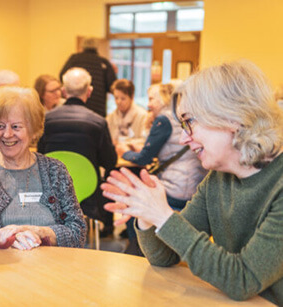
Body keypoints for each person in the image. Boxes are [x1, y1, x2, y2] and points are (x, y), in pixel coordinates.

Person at [101, 60, 283, 305]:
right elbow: (165, 256)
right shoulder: (218, 178)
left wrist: (164, 217)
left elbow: (242, 280)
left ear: (232, 118)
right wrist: (146, 216)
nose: (184, 138)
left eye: (189, 122)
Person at [0, 86, 87, 250]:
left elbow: (78, 232)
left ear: (33, 130)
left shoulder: (55, 171)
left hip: (52, 270)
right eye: (0, 126)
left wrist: (38, 232)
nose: (7, 134)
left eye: (16, 127)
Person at [37, 67, 117, 237]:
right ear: (90, 91)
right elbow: (110, 161)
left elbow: (40, 155)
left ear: (64, 92)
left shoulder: (47, 120)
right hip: (87, 192)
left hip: (53, 188)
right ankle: (104, 230)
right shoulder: (98, 122)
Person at [117, 83, 206, 210]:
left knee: (134, 200)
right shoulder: (178, 115)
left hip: (177, 189)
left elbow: (144, 159)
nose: (148, 105)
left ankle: (134, 228)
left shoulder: (164, 119)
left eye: (151, 99)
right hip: (193, 184)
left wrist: (123, 152)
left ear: (163, 99)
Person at [59, 37, 117, 117]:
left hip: (74, 107)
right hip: (98, 108)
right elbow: (113, 86)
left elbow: (62, 76)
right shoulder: (103, 62)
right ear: (96, 47)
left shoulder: (74, 59)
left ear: (82, 47)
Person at [106, 79, 148, 144]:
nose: (118, 102)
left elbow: (145, 141)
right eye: (116, 98)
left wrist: (125, 143)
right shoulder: (110, 117)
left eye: (123, 98)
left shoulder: (143, 116)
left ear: (132, 97)